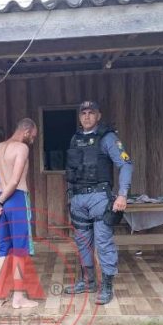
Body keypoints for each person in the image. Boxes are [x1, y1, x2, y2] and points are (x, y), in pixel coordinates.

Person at [64, 100, 133, 305]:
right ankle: (88, 281)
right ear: (79, 116)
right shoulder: (75, 139)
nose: (87, 116)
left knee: (103, 242)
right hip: (78, 198)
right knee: (82, 242)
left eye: (91, 113)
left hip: (99, 197)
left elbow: (126, 164)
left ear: (98, 116)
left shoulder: (108, 138)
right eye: (83, 113)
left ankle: (107, 286)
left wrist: (122, 194)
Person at [0, 118, 39, 310]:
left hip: (1, 200)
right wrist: (0, 201)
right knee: (19, 251)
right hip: (16, 199)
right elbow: (15, 181)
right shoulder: (21, 148)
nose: (32, 140)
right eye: (33, 136)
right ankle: (18, 298)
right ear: (26, 131)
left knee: (3, 251)